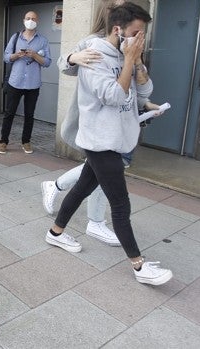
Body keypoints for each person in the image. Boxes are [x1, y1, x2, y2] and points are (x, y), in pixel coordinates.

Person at [46, 3, 173, 286]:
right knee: (120, 204)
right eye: (136, 33)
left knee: (82, 188)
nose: (141, 38)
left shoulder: (126, 53)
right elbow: (112, 96)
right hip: (100, 139)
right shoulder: (93, 55)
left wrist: (136, 62)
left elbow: (144, 90)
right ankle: (140, 267)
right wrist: (128, 60)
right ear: (118, 29)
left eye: (143, 34)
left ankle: (55, 233)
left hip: (119, 136)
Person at [0, 11, 51, 155]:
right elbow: (6, 57)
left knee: (29, 115)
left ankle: (26, 141)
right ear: (23, 20)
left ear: (37, 21)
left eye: (33, 18)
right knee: (9, 113)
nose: (30, 21)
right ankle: (3, 141)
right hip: (16, 81)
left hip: (33, 84)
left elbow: (47, 62)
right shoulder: (15, 37)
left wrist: (34, 55)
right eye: (28, 18)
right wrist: (17, 55)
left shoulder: (43, 40)